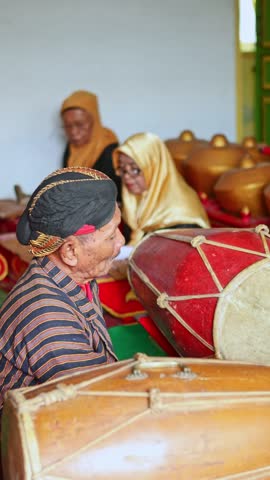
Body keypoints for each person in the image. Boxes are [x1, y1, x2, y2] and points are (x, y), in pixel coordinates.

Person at [0, 167, 125, 413]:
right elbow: (95, 402)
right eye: (111, 237)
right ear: (69, 251)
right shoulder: (48, 317)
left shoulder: (72, 277)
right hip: (24, 439)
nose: (121, 241)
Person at [108, 132, 210, 279]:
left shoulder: (181, 210)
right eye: (123, 170)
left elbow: (179, 262)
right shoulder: (135, 199)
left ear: (154, 166)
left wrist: (132, 265)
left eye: (135, 169)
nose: (127, 177)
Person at [60, 90, 121, 200]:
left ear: (94, 121)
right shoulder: (71, 148)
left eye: (80, 124)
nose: (73, 132)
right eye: (67, 126)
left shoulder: (110, 149)